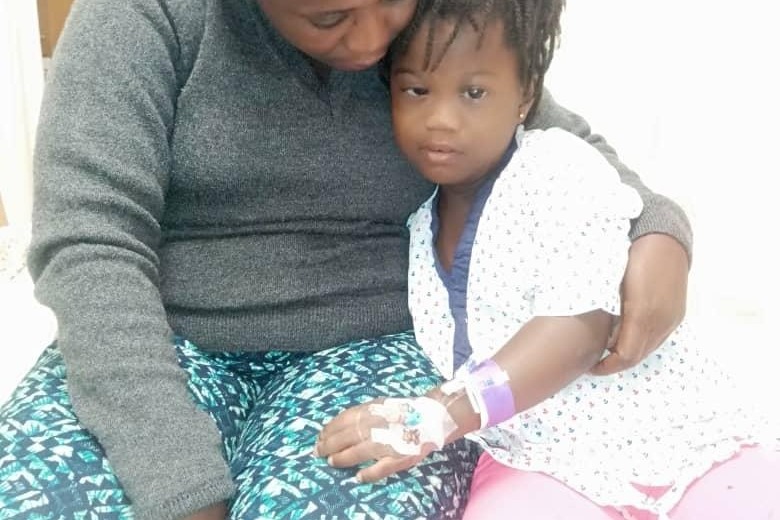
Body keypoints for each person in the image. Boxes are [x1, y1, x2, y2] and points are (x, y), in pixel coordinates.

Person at [0, 0, 692, 518]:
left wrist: (660, 233)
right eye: (329, 17)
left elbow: (563, 144)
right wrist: (176, 478)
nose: (371, 43)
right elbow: (90, 241)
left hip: (373, 347)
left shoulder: (436, 17)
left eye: (391, 1)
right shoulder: (143, 15)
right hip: (159, 341)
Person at [314, 1, 780, 519]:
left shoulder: (560, 171)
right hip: (535, 460)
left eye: (474, 93)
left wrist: (436, 415)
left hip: (674, 440)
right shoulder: (420, 224)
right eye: (417, 91)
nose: (441, 119)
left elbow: (579, 328)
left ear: (525, 96)